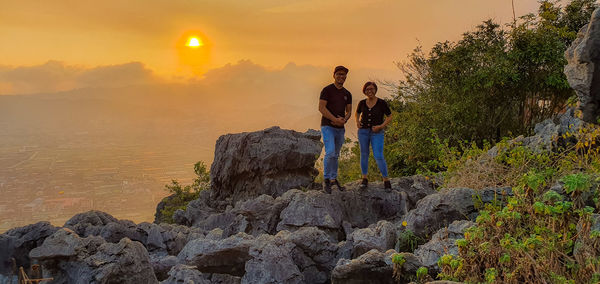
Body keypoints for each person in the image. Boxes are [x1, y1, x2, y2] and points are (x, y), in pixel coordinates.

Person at [318, 65, 352, 194]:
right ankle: (326, 180)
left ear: (346, 77)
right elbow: (321, 108)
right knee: (330, 152)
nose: (341, 76)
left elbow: (349, 111)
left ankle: (333, 179)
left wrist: (345, 119)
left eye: (343, 75)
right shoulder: (327, 90)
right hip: (327, 126)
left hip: (340, 128)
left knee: (336, 155)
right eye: (338, 74)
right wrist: (334, 119)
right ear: (334, 75)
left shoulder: (347, 94)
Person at [355, 81, 393, 191]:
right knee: (364, 154)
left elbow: (389, 116)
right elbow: (357, 113)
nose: (369, 91)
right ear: (364, 91)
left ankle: (386, 181)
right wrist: (357, 121)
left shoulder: (381, 103)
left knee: (378, 155)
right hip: (363, 132)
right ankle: (364, 179)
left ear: (375, 90)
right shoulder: (362, 103)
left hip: (377, 132)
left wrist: (381, 126)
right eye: (367, 89)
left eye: (371, 89)